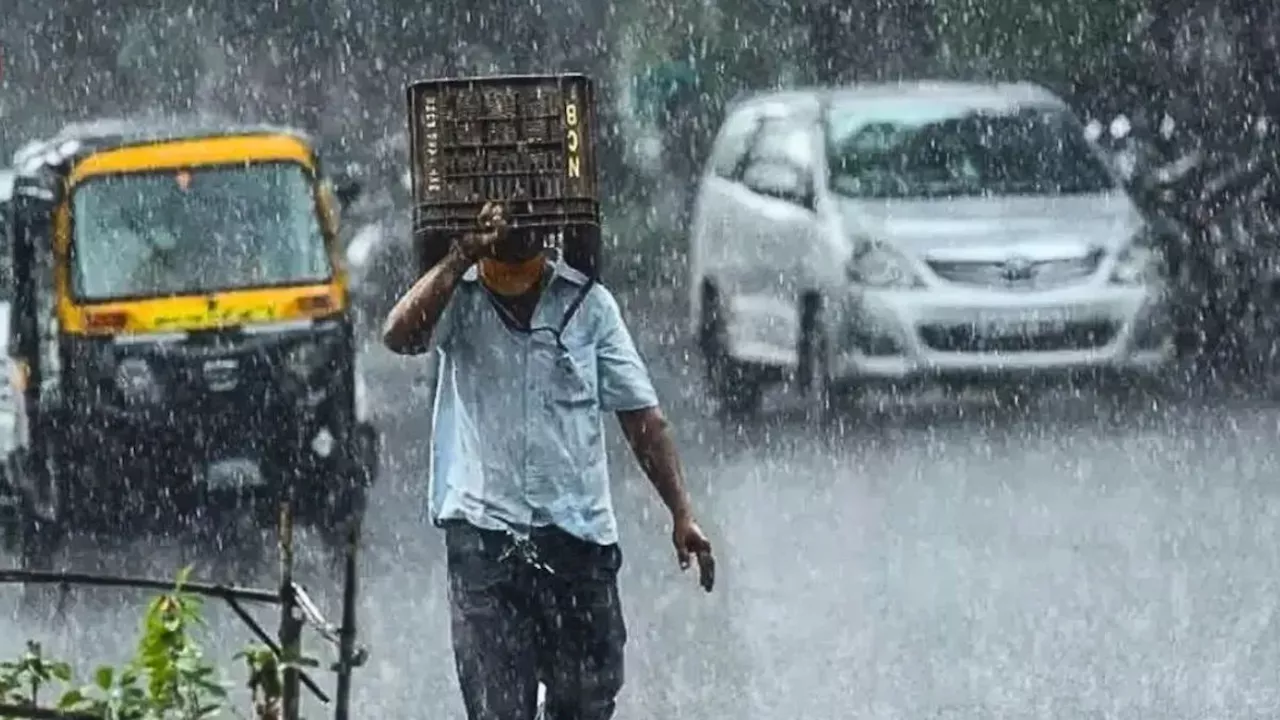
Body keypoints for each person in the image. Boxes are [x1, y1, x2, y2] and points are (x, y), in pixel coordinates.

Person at [381, 202, 715, 720]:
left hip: (577, 545)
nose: (513, 223)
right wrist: (459, 257)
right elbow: (400, 335)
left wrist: (681, 513)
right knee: (499, 709)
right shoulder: (460, 301)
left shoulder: (589, 306)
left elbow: (642, 418)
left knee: (585, 703)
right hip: (487, 545)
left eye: (525, 212)